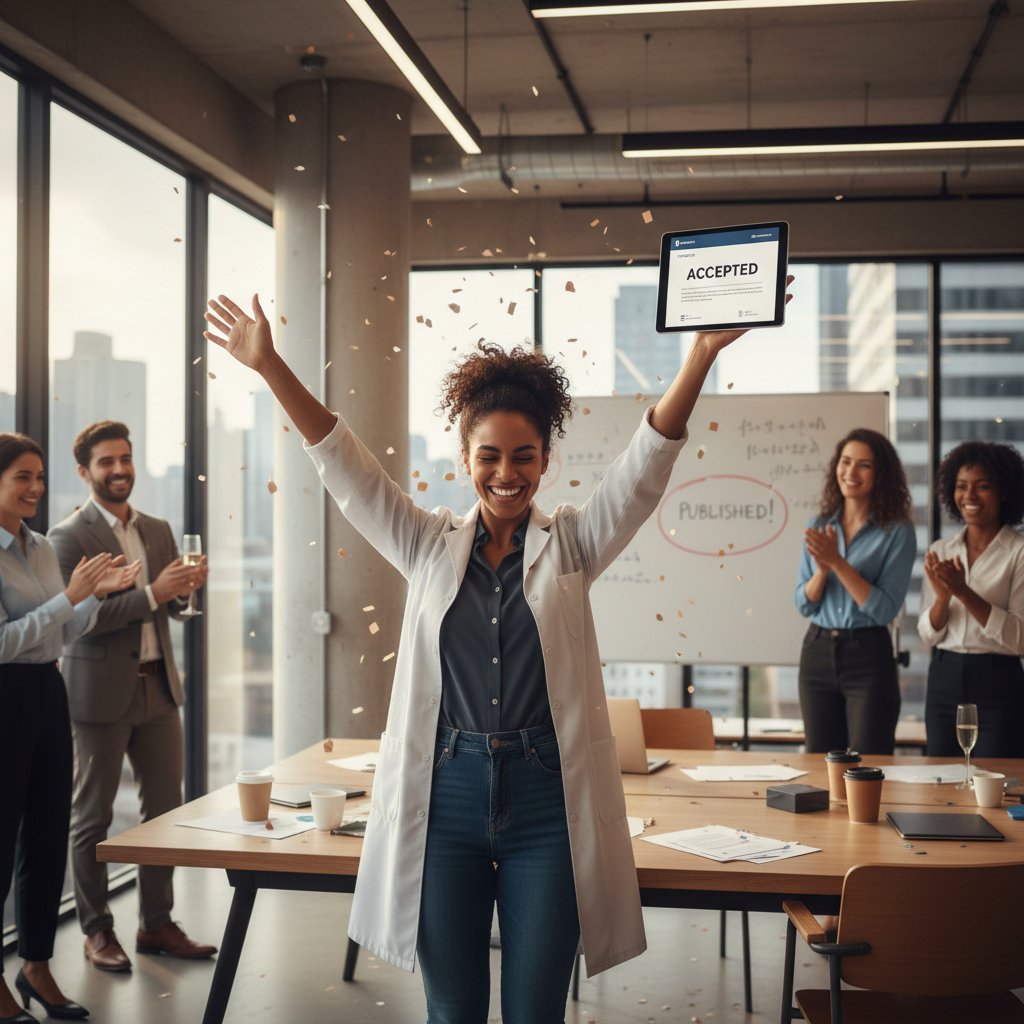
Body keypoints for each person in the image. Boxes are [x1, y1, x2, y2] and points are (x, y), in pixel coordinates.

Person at [203, 281, 790, 1024]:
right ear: (464, 456)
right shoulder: (424, 543)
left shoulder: (572, 543)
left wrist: (701, 355)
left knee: (536, 1010)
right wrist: (270, 367)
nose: (506, 474)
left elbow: (643, 471)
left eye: (524, 456)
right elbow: (344, 468)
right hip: (442, 790)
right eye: (490, 457)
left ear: (546, 459)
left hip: (547, 795)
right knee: (452, 1010)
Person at [47, 421, 216, 973]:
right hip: (98, 695)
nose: (119, 470)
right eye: (105, 463)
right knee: (91, 816)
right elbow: (77, 621)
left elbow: (169, 607)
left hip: (159, 688)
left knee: (165, 811)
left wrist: (185, 591)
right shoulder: (66, 538)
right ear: (84, 472)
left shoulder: (159, 528)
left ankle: (156, 923)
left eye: (125, 459)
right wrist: (154, 592)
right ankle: (97, 931)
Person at [0, 432, 139, 1023]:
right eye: (21, 478)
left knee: (48, 833)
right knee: (1, 841)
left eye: (38, 477)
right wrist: (68, 601)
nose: (34, 488)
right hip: (4, 700)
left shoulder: (35, 547)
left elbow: (56, 633)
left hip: (46, 695)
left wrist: (91, 601)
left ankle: (35, 965)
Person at [795, 428, 916, 755]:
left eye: (864, 465)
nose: (851, 472)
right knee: (821, 763)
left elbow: (885, 610)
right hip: (816, 650)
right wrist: (822, 571)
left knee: (869, 762)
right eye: (845, 462)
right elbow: (803, 603)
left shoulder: (898, 531)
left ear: (881, 474)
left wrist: (836, 561)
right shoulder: (819, 523)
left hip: (869, 655)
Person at [919, 441, 1024, 758]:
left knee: (995, 784)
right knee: (940, 779)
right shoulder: (942, 549)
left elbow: (1020, 639)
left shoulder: (1018, 552)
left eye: (982, 487)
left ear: (1004, 492)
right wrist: (942, 600)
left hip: (998, 681)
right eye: (961, 487)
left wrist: (963, 592)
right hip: (943, 678)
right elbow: (928, 632)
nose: (970, 497)